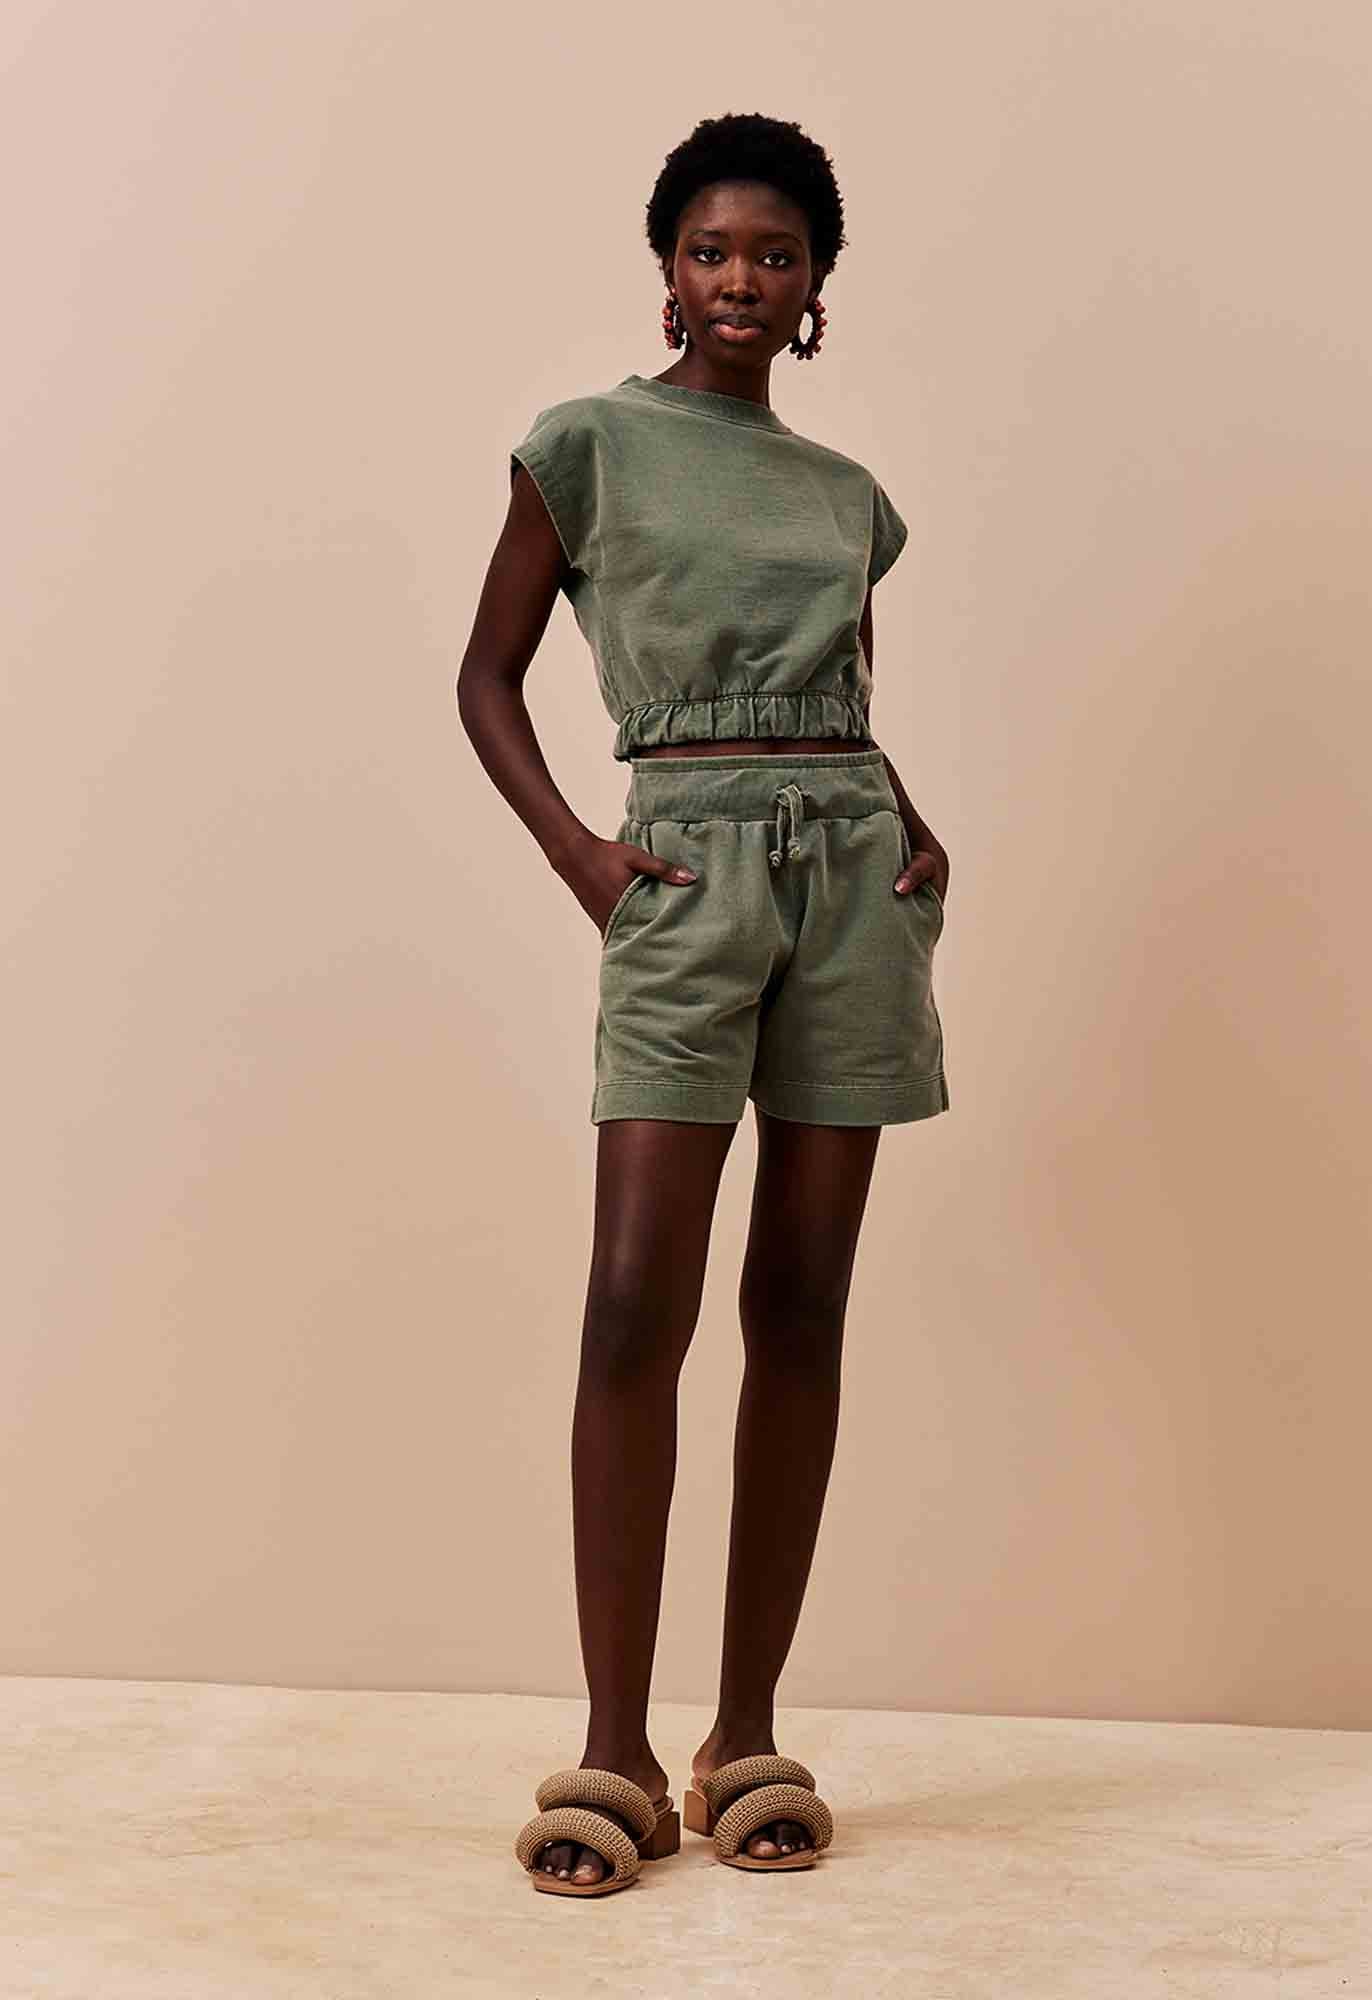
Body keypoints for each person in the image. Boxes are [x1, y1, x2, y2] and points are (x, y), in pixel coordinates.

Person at [458, 112, 951, 1897]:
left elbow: (845, 704)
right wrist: (588, 861)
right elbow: (486, 676)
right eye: (712, 249)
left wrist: (918, 835)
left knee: (802, 1304)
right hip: (678, 877)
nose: (743, 277)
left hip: (853, 884)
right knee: (630, 1304)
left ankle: (745, 1733)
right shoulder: (586, 446)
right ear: (668, 267)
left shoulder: (846, 497)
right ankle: (613, 1747)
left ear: (817, 287)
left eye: (777, 255)